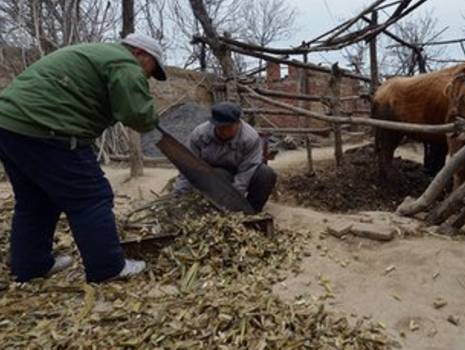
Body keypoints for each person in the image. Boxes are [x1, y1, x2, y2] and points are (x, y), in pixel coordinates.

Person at [0, 33, 166, 283]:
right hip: (48, 129)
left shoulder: (95, 52)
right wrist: (153, 120)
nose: (148, 77)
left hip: (9, 125)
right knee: (91, 197)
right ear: (140, 53)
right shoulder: (124, 63)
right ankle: (108, 267)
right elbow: (137, 114)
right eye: (151, 70)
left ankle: (30, 266)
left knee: (35, 201)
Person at [173, 102, 277, 213]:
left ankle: (251, 213)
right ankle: (211, 210)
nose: (222, 131)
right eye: (219, 127)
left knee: (266, 174)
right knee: (218, 174)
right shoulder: (200, 134)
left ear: (237, 123)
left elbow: (247, 171)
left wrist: (235, 202)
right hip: (214, 175)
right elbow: (188, 167)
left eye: (227, 127)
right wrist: (179, 196)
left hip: (240, 173)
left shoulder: (250, 138)